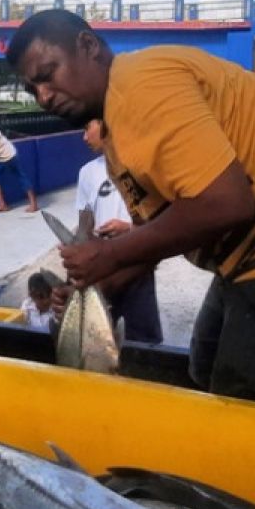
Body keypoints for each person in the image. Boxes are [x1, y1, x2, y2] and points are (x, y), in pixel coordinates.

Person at [7, 10, 255, 408]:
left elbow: (226, 204)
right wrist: (87, 288)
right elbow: (154, 238)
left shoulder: (144, 85)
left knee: (251, 402)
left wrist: (107, 253)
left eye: (48, 74)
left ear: (88, 46)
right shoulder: (116, 135)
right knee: (205, 367)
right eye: (32, 89)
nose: (44, 96)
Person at [68, 117, 163, 344]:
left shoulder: (143, 165)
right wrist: (79, 246)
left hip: (137, 264)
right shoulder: (88, 172)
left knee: (142, 341)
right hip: (102, 265)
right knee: (99, 340)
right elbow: (85, 222)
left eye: (86, 127)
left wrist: (129, 229)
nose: (84, 137)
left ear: (105, 123)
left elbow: (164, 220)